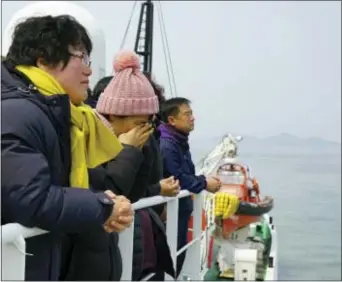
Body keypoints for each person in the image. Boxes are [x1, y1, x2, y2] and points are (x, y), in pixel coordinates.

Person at [1, 15, 133, 281]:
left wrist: (100, 199)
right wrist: (102, 207)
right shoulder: (18, 113)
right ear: (43, 59)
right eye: (81, 57)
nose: (89, 71)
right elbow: (30, 199)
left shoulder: (54, 113)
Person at [95, 50, 177, 280]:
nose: (145, 130)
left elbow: (134, 193)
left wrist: (142, 149)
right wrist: (128, 151)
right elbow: (111, 189)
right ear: (114, 115)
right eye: (139, 123)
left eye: (149, 123)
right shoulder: (90, 139)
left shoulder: (135, 141)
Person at [158, 97, 222, 277]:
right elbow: (177, 178)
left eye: (191, 113)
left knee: (177, 257)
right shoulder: (168, 144)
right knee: (172, 260)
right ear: (172, 120)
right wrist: (204, 183)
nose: (192, 118)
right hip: (171, 213)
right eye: (187, 114)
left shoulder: (178, 141)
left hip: (179, 213)